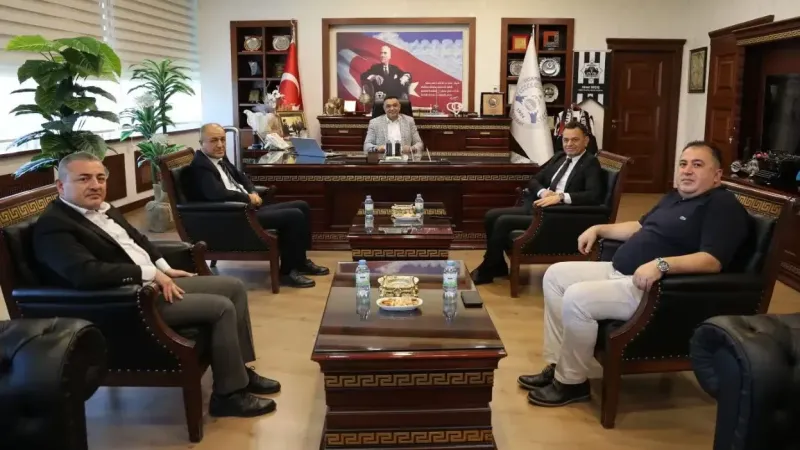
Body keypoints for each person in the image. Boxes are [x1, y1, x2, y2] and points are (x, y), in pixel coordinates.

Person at [32, 152, 279, 418]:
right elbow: (85, 274)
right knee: (220, 307)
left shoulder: (104, 208)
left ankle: (239, 372)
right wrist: (149, 275)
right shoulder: (55, 226)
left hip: (150, 284)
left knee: (234, 287)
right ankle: (229, 396)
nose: (95, 185)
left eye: (100, 178)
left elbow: (139, 240)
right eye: (84, 179)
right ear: (61, 186)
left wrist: (164, 268)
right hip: (126, 301)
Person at [520, 141, 750, 407]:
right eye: (683, 164)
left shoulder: (721, 205)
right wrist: (598, 228)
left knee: (577, 298)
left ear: (717, 175)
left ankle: (571, 383)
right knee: (555, 276)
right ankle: (558, 364)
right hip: (619, 271)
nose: (687, 171)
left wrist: (661, 265)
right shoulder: (674, 197)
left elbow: (712, 261)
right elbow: (639, 227)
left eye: (697, 165)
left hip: (655, 289)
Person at [188, 123, 329, 288]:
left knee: (302, 206)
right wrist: (247, 197)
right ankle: (287, 273)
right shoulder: (200, 167)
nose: (220, 144)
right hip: (234, 216)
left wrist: (252, 191)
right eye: (214, 140)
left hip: (247, 208)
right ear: (201, 143)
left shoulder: (219, 158)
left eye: (222, 139)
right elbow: (217, 194)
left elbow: (242, 177)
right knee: (294, 216)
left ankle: (300, 262)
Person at [470, 121, 605, 285]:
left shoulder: (590, 163)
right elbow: (534, 180)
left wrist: (561, 197)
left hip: (558, 215)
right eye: (566, 140)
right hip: (538, 206)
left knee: (503, 221)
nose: (569, 144)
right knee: (491, 216)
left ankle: (488, 267)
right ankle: (497, 264)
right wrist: (543, 192)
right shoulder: (559, 157)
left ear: (586, 140)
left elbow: (593, 195)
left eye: (575, 140)